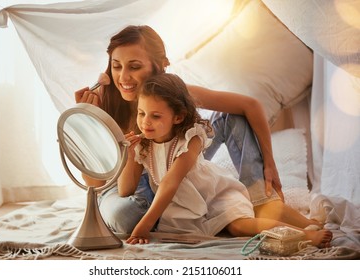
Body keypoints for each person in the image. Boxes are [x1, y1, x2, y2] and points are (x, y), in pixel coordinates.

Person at [75, 25, 322, 234]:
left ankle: (260, 199)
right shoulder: (102, 102)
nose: (124, 77)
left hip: (175, 164)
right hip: (128, 189)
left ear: (159, 66)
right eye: (116, 66)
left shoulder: (174, 93)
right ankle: (174, 216)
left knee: (230, 116)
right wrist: (86, 123)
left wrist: (269, 163)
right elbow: (95, 183)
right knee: (126, 217)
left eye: (134, 66)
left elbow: (249, 104)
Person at [119, 73, 332, 247]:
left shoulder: (190, 139)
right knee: (224, 229)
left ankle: (305, 234)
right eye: (141, 113)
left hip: (215, 197)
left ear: (178, 117)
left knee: (239, 227)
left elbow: (170, 182)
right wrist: (129, 158)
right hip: (187, 209)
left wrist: (143, 226)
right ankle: (308, 225)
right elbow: (125, 190)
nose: (145, 122)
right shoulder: (143, 146)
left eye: (155, 116)